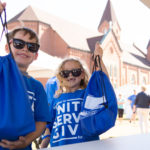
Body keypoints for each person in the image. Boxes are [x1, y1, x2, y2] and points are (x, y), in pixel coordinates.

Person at [40, 42, 110, 148]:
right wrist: (43, 145)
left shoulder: (88, 95)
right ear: (60, 77)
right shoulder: (56, 99)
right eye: (65, 73)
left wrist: (98, 58)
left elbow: (104, 84)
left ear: (82, 75)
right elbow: (49, 125)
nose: (71, 75)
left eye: (75, 71)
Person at [0, 3, 50, 149]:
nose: (24, 49)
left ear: (36, 55)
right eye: (19, 43)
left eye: (31, 47)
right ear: (7, 46)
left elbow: (41, 121)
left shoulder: (37, 87)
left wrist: (26, 141)